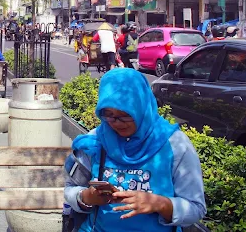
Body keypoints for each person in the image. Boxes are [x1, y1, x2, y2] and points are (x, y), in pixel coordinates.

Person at [64, 68, 206, 231]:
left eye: (125, 114)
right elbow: (69, 190)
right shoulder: (95, 141)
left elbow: (196, 208)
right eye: (108, 114)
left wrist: (159, 203)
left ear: (142, 107)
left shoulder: (174, 144)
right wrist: (87, 197)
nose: (116, 122)